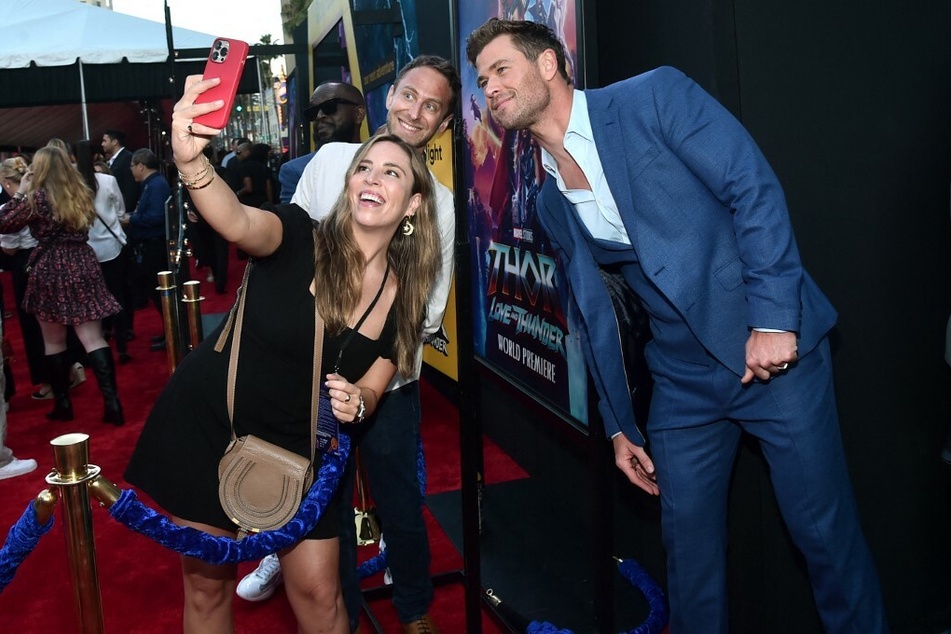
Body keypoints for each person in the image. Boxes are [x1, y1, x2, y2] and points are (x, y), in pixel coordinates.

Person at [467, 18, 888, 634]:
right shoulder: (550, 196)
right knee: (687, 561)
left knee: (824, 538)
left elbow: (753, 189)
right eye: (482, 80)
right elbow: (590, 310)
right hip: (683, 383)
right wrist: (616, 424)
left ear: (550, 65)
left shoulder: (651, 98)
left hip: (773, 360)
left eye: (502, 69)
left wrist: (773, 320)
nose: (491, 88)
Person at [124, 73, 442, 634]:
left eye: (391, 172)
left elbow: (374, 385)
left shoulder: (406, 298)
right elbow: (238, 221)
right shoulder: (297, 233)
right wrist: (193, 163)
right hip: (211, 422)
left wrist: (359, 404)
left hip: (301, 448)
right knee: (205, 585)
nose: (372, 179)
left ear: (413, 202)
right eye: (363, 168)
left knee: (322, 596)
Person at [236, 55, 458, 634]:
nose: (415, 111)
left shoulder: (440, 203)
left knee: (400, 504)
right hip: (309, 378)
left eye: (431, 105)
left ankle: (414, 610)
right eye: (409, 95)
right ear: (389, 97)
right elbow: (291, 261)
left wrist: (376, 378)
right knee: (319, 508)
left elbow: (428, 309)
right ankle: (340, 614)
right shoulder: (332, 162)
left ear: (443, 122)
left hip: (390, 380)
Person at [0, 146, 124, 424]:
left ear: (39, 170)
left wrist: (21, 190)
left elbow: (4, 222)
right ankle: (112, 404)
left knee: (53, 341)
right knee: (93, 338)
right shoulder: (80, 191)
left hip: (51, 267)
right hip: (82, 260)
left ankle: (63, 404)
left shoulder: (37, 199)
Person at [75, 139, 132, 365]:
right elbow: (120, 211)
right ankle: (122, 344)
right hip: (112, 247)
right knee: (117, 295)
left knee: (90, 301)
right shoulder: (108, 180)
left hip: (85, 251)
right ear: (96, 157)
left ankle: (95, 345)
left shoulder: (73, 185)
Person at [279, 82, 367, 204]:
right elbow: (293, 221)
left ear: (359, 114)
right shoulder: (296, 170)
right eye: (313, 112)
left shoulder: (384, 159)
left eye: (330, 107)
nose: (319, 116)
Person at [120, 148, 171, 351]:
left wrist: (132, 219)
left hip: (154, 245)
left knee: (158, 291)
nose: (131, 170)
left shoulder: (156, 185)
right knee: (154, 291)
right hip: (151, 243)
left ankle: (171, 333)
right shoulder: (152, 184)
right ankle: (168, 332)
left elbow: (157, 217)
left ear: (141, 166)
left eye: (132, 166)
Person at [102, 129, 137, 213]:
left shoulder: (127, 158)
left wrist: (125, 213)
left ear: (114, 142)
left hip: (124, 211)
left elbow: (130, 189)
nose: (102, 144)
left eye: (105, 141)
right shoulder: (116, 159)